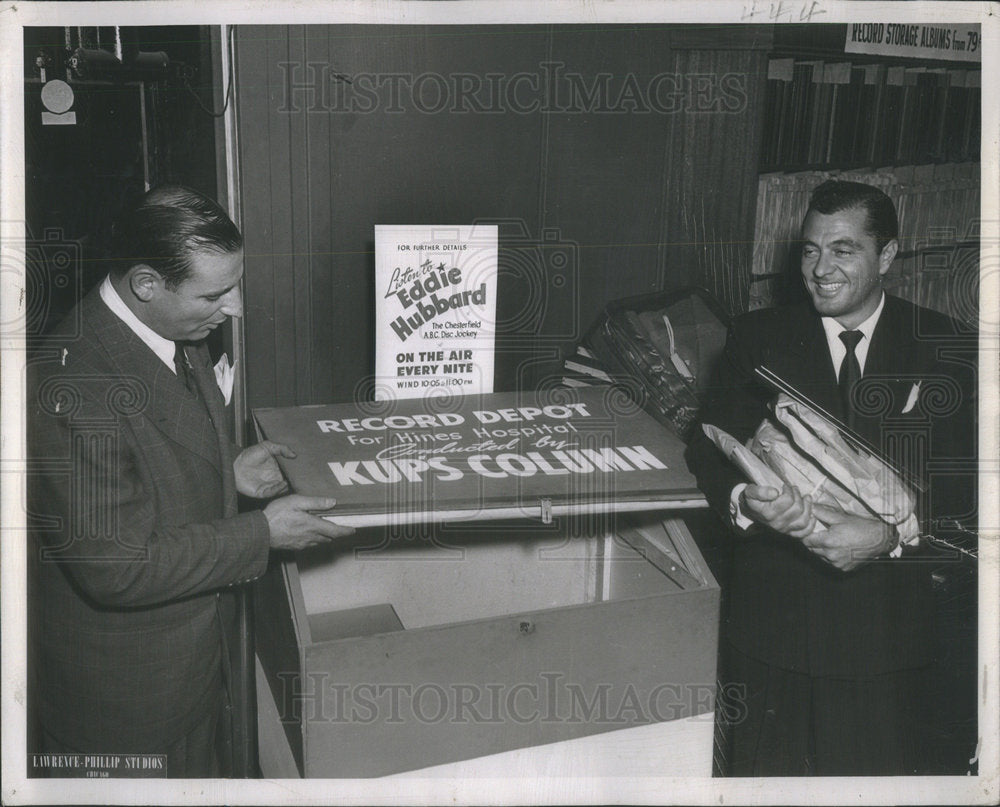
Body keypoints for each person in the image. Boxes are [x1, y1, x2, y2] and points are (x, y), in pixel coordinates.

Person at [27, 185, 354, 777]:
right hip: (128, 706)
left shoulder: (171, 329)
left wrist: (229, 466)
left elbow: (148, 448)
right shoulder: (71, 386)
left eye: (235, 285)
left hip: (196, 668)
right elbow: (118, 567)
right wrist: (262, 534)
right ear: (146, 284)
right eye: (215, 294)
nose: (235, 308)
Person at [685, 180, 976, 776]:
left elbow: (967, 484)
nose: (821, 269)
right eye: (811, 250)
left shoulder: (946, 344)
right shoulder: (756, 337)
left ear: (886, 256)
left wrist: (890, 535)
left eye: (843, 250)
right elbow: (708, 445)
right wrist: (748, 502)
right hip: (774, 634)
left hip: (890, 642)